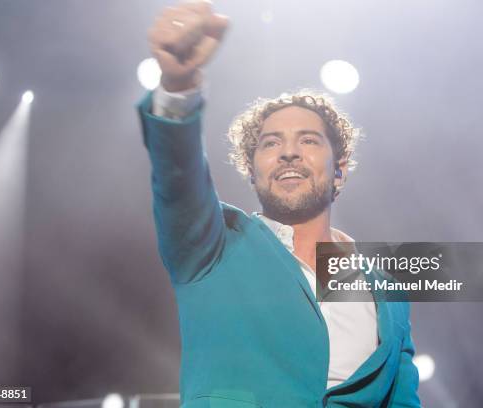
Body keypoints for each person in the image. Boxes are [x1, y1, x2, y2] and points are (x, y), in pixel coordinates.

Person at [137, 2, 421, 407]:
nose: (289, 153)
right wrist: (178, 88)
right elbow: (177, 176)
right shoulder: (211, 246)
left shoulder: (387, 293)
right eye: (271, 144)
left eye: (308, 140)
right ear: (251, 172)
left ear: (338, 170)